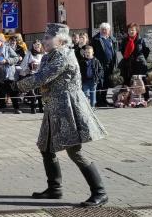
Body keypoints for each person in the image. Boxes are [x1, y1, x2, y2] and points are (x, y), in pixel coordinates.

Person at [15, 23, 108, 207]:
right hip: (53, 108)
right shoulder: (49, 56)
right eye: (45, 37)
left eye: (48, 38)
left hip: (68, 109)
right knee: (46, 147)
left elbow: (43, 78)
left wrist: (18, 86)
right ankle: (54, 188)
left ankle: (100, 192)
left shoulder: (64, 55)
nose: (44, 41)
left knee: (75, 151)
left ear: (61, 40)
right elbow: (41, 77)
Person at [0, 35, 21, 113]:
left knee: (13, 91)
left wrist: (7, 61)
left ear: (1, 41)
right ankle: (2, 108)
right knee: (1, 92)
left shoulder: (8, 48)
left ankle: (16, 108)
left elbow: (16, 58)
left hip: (9, 73)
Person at [119, 22, 151, 102]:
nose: (131, 32)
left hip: (139, 63)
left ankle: (147, 98)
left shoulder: (141, 40)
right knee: (127, 81)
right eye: (129, 30)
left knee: (143, 80)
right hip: (128, 63)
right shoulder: (124, 40)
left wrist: (141, 58)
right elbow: (122, 51)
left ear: (136, 30)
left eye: (133, 30)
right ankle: (125, 99)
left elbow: (146, 51)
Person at [91, 23, 117, 107]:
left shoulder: (112, 39)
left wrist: (115, 63)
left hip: (110, 65)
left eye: (106, 29)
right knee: (100, 83)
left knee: (107, 82)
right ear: (100, 30)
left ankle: (104, 99)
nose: (104, 31)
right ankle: (99, 101)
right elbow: (92, 52)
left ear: (109, 31)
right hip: (100, 65)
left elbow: (114, 52)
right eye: (102, 29)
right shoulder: (96, 39)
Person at [19, 40, 45, 114]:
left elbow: (46, 63)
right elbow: (24, 64)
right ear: (33, 46)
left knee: (40, 92)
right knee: (32, 92)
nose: (37, 46)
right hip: (31, 74)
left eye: (39, 44)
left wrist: (40, 66)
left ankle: (41, 107)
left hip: (40, 75)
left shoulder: (43, 54)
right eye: (36, 45)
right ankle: (33, 108)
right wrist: (29, 67)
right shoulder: (29, 53)